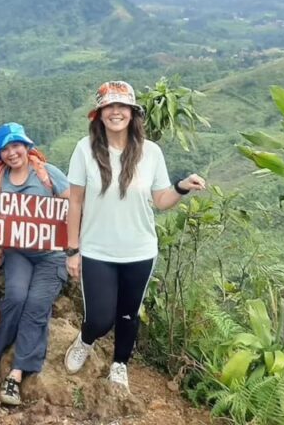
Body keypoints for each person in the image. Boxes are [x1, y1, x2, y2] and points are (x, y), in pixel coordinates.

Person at [63, 81, 206, 392]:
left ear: (132, 113)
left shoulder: (150, 153)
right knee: (100, 318)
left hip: (139, 251)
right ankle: (86, 340)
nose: (116, 111)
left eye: (122, 106)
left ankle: (120, 364)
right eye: (109, 106)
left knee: (129, 313)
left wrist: (181, 188)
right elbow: (74, 201)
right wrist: (72, 249)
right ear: (99, 114)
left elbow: (161, 201)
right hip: (97, 251)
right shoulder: (84, 150)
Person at [0, 123, 71, 407]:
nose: (12, 152)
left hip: (51, 255)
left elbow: (74, 206)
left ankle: (16, 373)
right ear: (0, 154)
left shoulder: (47, 174)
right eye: (6, 148)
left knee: (37, 305)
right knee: (15, 296)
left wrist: (75, 247)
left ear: (27, 146)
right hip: (17, 252)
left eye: (16, 146)